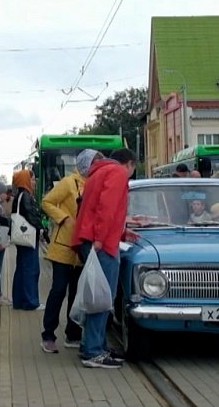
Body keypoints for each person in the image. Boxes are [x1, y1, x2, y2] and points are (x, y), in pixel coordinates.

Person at [72, 148, 139, 369]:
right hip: (102, 244)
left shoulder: (98, 173)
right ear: (128, 163)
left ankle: (92, 345)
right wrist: (101, 238)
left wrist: (121, 232)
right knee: (102, 297)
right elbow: (107, 209)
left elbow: (96, 209)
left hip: (90, 239)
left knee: (95, 294)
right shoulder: (118, 173)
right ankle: (93, 351)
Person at [39, 149, 98, 353]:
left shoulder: (92, 184)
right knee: (58, 290)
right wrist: (63, 218)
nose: (95, 167)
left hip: (81, 247)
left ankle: (73, 333)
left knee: (76, 292)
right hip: (63, 247)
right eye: (93, 163)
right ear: (85, 164)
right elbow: (46, 202)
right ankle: (48, 334)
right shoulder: (68, 182)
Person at [10, 169, 44, 311]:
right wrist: (41, 228)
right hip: (28, 238)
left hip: (21, 238)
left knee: (21, 269)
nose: (34, 182)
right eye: (33, 179)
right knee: (31, 269)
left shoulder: (18, 195)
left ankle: (19, 301)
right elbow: (30, 215)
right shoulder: (26, 196)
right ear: (26, 180)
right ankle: (31, 301)